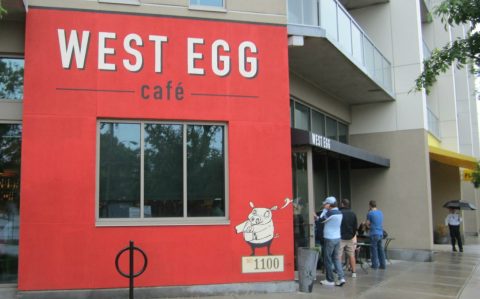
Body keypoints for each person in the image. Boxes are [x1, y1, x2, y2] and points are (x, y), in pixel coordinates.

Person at [317, 196, 346, 287]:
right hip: (337, 238)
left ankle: (330, 280)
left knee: (328, 259)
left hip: (329, 238)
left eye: (325, 204)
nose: (324, 205)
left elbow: (320, 220)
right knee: (336, 258)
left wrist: (322, 212)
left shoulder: (330, 213)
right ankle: (341, 278)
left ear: (329, 204)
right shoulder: (339, 212)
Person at [338, 198, 358, 278]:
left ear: (342, 204)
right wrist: (352, 235)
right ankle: (354, 272)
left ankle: (339, 272)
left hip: (341, 237)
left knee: (339, 255)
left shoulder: (339, 213)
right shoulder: (353, 213)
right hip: (350, 237)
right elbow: (355, 226)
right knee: (351, 255)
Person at [365, 200, 386, 270]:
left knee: (374, 250)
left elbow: (367, 224)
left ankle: (375, 265)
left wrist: (366, 224)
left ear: (370, 205)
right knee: (381, 249)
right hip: (380, 233)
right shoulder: (380, 212)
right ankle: (383, 265)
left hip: (374, 233)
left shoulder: (370, 213)